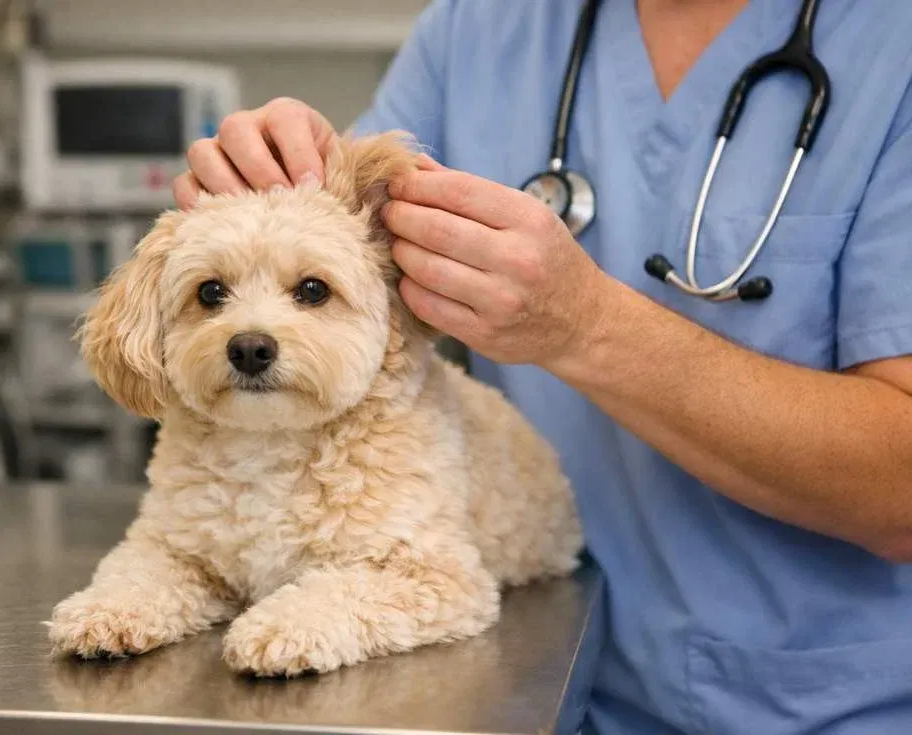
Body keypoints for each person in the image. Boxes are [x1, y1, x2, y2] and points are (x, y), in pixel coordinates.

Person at [171, 1, 912, 732]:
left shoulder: (890, 44)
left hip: (809, 705)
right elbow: (341, 265)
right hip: (530, 686)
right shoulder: (480, 29)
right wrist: (267, 170)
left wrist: (587, 326)